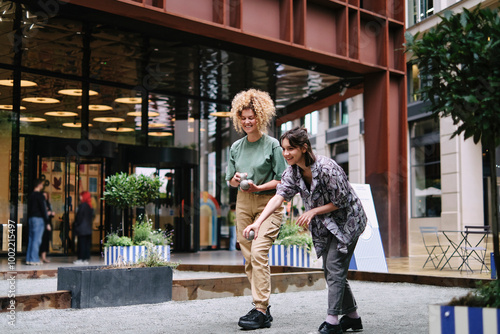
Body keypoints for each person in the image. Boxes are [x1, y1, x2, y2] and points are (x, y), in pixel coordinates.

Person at [245, 127, 367, 334]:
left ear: (304, 148)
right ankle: (353, 318)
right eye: (283, 149)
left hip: (348, 222)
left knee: (334, 267)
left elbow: (343, 201)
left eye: (290, 149)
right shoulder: (292, 172)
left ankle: (333, 321)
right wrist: (258, 222)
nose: (286, 154)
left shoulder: (327, 168)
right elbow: (279, 196)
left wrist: (313, 211)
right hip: (327, 225)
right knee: (330, 270)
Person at [225, 88, 288, 330]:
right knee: (249, 259)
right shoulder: (236, 147)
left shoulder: (272, 145)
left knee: (259, 253)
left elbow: (282, 180)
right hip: (243, 203)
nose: (247, 121)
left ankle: (260, 308)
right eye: (243, 117)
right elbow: (230, 179)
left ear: (260, 117)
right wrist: (238, 178)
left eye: (251, 117)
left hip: (268, 203)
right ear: (238, 119)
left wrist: (258, 186)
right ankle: (263, 309)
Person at [26, 179, 49, 265]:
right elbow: (43, 209)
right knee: (37, 240)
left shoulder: (31, 195)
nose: (42, 186)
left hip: (31, 218)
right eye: (42, 184)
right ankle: (34, 259)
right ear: (39, 185)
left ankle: (29, 258)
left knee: (31, 239)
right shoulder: (40, 196)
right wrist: (47, 222)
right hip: (38, 219)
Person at [73, 191, 94, 265]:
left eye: (81, 196)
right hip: (88, 229)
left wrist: (75, 224)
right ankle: (85, 259)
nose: (80, 197)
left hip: (82, 229)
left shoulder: (82, 205)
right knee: (86, 245)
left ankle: (80, 259)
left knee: (81, 244)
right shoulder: (90, 206)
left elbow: (79, 217)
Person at [39, 192, 55, 263]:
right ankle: (39, 257)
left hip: (48, 224)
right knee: (40, 241)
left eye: (46, 196)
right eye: (43, 196)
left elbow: (50, 213)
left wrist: (51, 214)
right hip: (41, 224)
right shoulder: (40, 204)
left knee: (46, 241)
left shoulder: (48, 204)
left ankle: (44, 257)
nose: (45, 198)